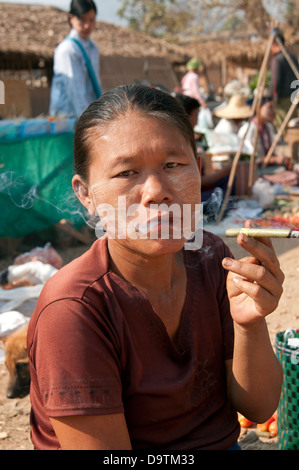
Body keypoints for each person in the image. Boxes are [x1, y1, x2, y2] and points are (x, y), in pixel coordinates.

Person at [27, 85, 283, 450]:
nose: (157, 191)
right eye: (127, 173)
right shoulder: (74, 310)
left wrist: (250, 324)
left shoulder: (210, 258)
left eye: (172, 165)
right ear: (87, 195)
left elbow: (258, 406)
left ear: (198, 166)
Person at [49, 0, 101, 118]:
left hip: (88, 113)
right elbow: (75, 91)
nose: (87, 25)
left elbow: (95, 83)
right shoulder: (67, 49)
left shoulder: (93, 48)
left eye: (91, 20)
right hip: (68, 116)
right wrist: (86, 122)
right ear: (71, 18)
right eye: (82, 20)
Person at [269, 31, 299, 132]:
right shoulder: (292, 57)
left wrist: (270, 97)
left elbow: (275, 81)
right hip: (295, 97)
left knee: (284, 125)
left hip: (284, 99)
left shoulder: (277, 60)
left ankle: (285, 144)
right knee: (292, 124)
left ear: (274, 45)